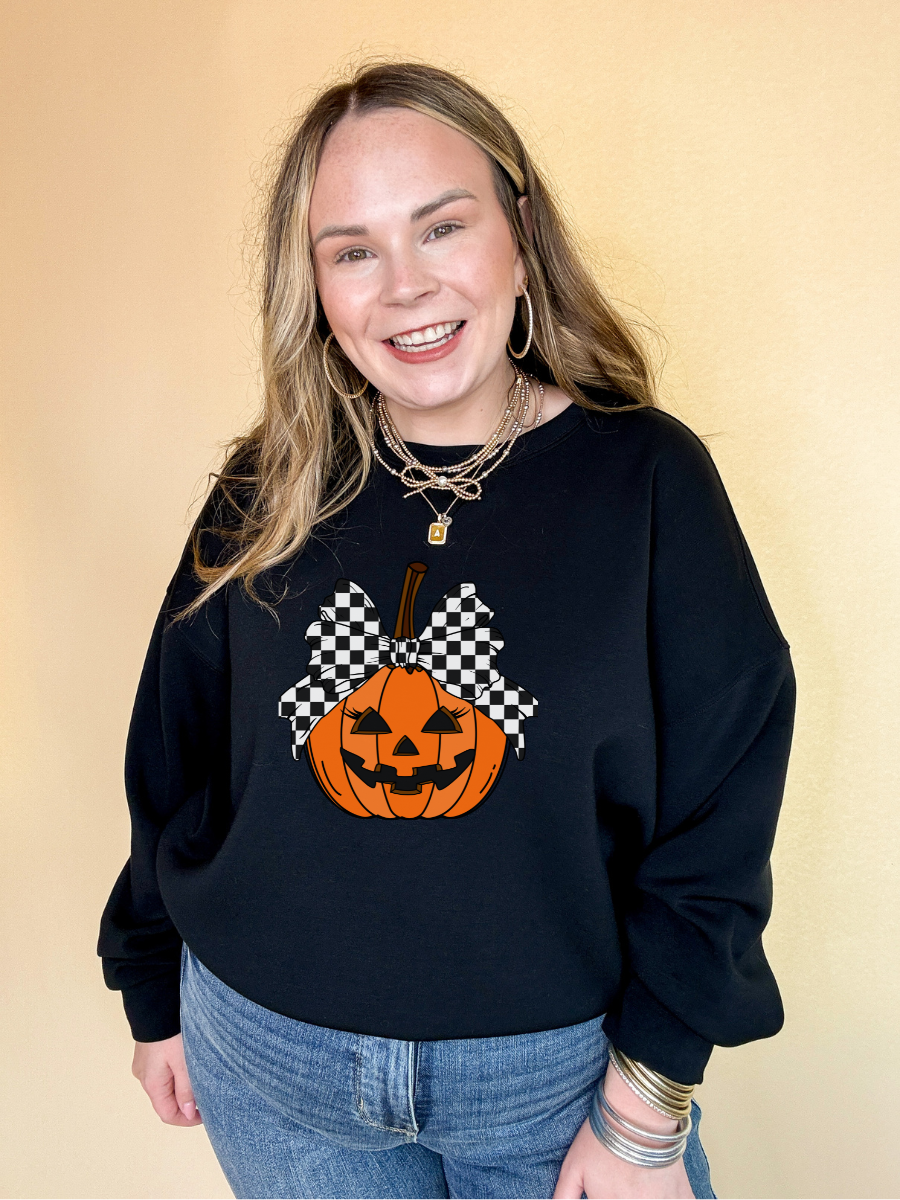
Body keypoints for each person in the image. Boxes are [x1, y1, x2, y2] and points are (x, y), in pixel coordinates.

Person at [98, 61, 795, 1200]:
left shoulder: (647, 482)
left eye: (442, 227)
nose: (404, 287)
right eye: (353, 251)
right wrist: (149, 984)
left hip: (553, 1087)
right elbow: (173, 753)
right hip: (267, 1061)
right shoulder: (268, 486)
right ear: (315, 287)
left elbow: (722, 804)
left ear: (519, 235)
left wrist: (646, 1108)